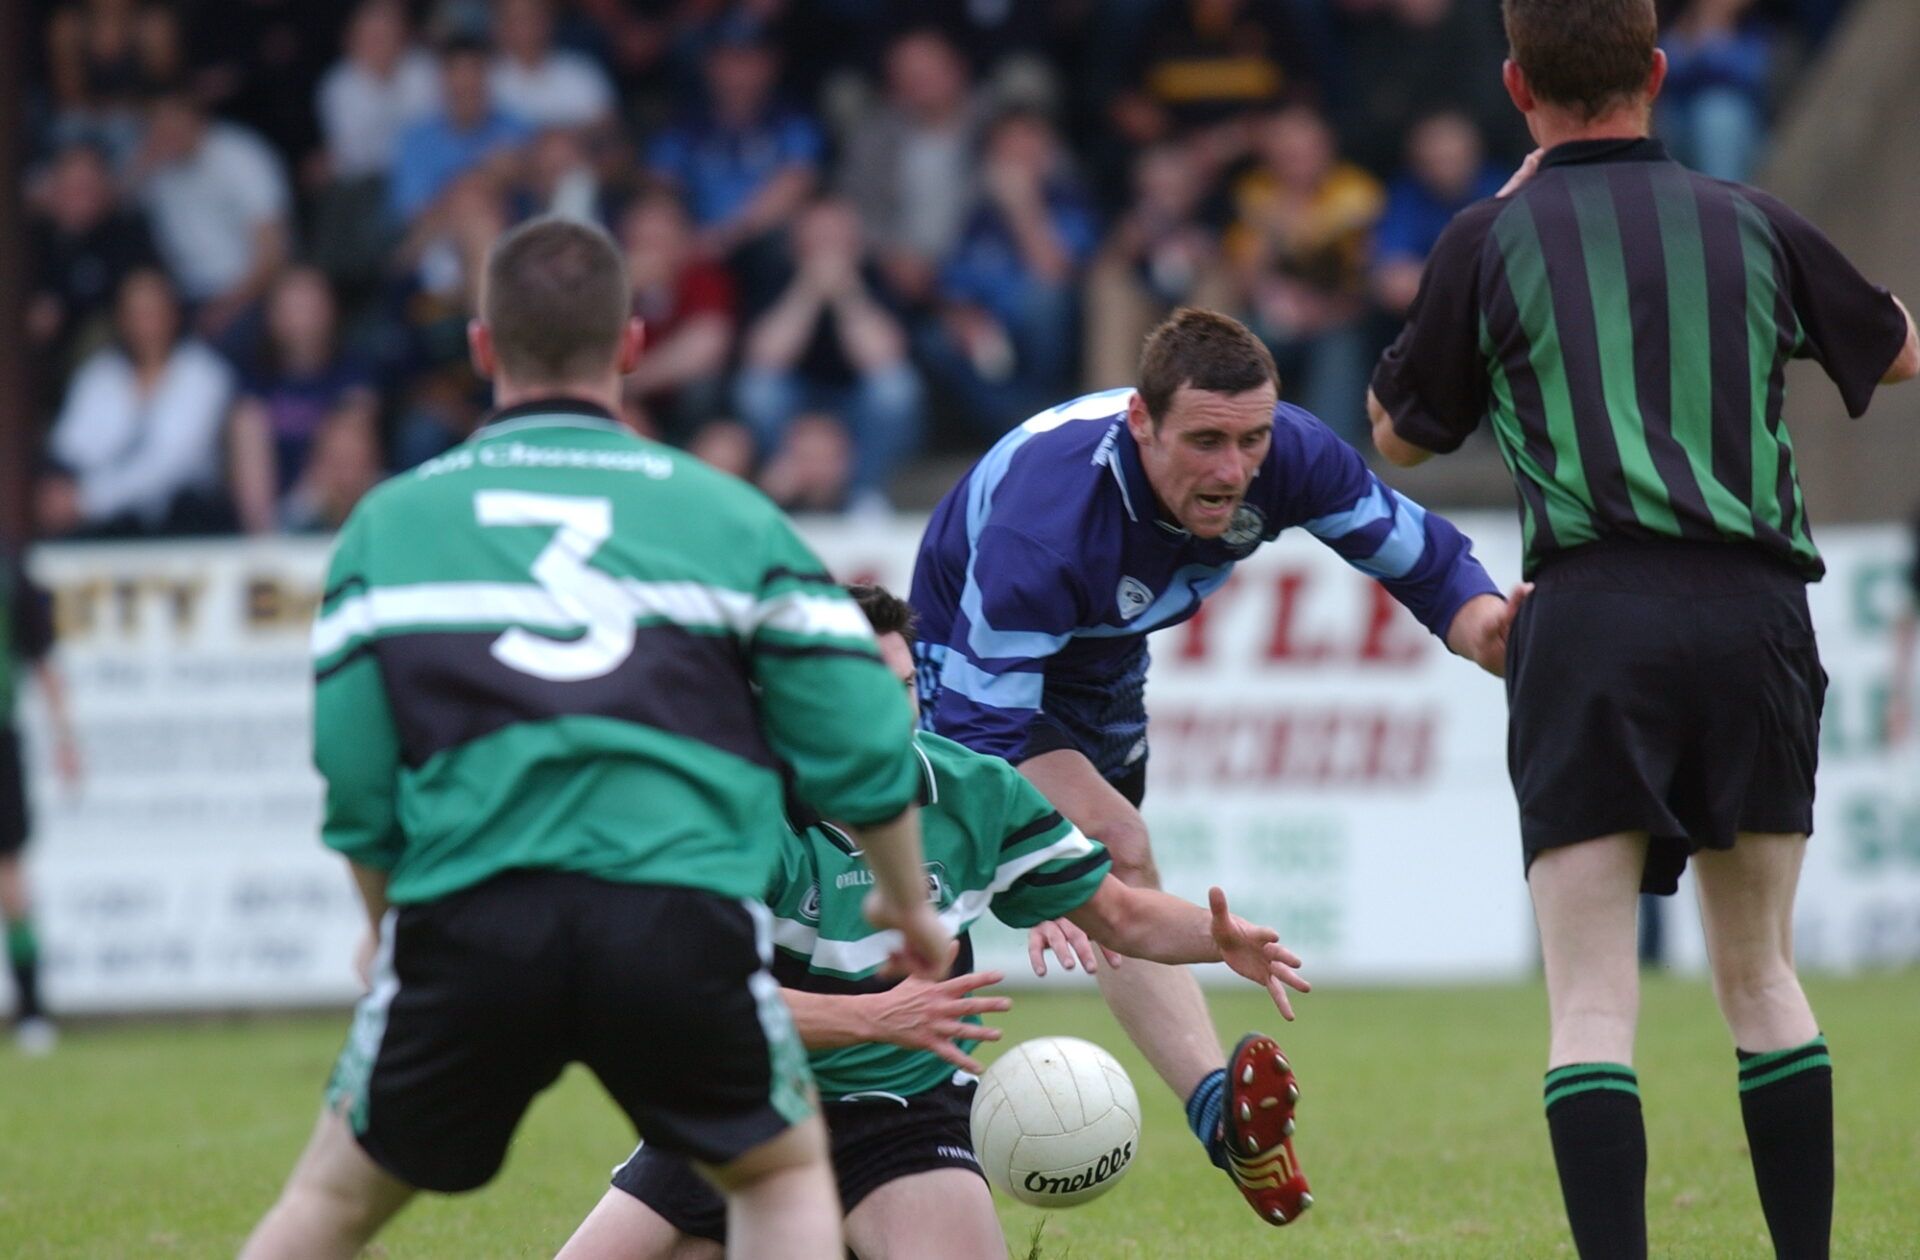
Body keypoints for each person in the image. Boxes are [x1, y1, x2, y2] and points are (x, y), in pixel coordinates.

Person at [237, 217, 952, 1260]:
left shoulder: (388, 525)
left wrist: (388, 925)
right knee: (780, 1175)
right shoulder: (729, 517)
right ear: (631, 343)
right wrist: (905, 899)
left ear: (483, 346)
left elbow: (355, 781)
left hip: (472, 914)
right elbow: (858, 734)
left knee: (330, 1202)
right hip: (675, 917)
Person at [1365, 1, 1920, 1255]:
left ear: (1516, 86)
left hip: (1591, 618)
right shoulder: (1751, 218)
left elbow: (1397, 435)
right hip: (1754, 612)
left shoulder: (1490, 236)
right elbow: (1897, 353)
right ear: (1659, 71)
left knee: (1591, 1006)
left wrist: (1490, 237)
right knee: (1762, 978)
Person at [910, 307, 1517, 1225]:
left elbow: (1423, 558)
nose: (1233, 469)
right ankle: (902, 1124)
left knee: (1117, 877)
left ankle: (1223, 1121)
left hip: (1107, 659)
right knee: (1099, 847)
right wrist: (1028, 858)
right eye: (1204, 441)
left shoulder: (1291, 455)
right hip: (969, 655)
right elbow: (976, 744)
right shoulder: (1047, 527)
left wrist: (1490, 630)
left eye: (1250, 439)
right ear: (1142, 424)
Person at [554, 584, 1312, 1260]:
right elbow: (703, 1005)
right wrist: (875, 1017)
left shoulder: (974, 790)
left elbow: (1119, 914)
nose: (897, 714)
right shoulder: (730, 812)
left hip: (905, 1116)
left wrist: (1213, 938)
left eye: (907, 686)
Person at [732, 197, 924, 510]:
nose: (827, 250)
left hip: (857, 408)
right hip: (795, 406)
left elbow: (884, 358)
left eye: (837, 240)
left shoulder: (878, 278)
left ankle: (863, 493)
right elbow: (764, 358)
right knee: (757, 389)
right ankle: (786, 484)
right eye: (818, 240)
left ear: (857, 245)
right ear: (796, 245)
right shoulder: (772, 274)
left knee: (896, 390)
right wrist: (806, 292)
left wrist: (848, 294)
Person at [40, 268, 236, 539]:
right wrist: (61, 495)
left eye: (152, 311)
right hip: (103, 526)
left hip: (184, 525)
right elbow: (72, 448)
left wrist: (88, 501)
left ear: (173, 313)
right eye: (134, 312)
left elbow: (171, 463)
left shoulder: (204, 373)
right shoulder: (100, 372)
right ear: (120, 319)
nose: (144, 323)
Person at [229, 267, 382, 534]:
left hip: (348, 496)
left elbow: (357, 452)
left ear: (330, 310)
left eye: (311, 306)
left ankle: (352, 537)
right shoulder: (256, 381)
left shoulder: (353, 372)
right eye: (293, 307)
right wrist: (302, 502)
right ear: (272, 316)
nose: (303, 318)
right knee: (246, 422)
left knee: (348, 434)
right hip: (288, 509)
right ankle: (263, 539)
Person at [1, 551, 80, 1055]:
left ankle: (30, 1009)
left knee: (10, 872)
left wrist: (65, 737)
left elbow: (42, 658)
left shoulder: (11, 576)